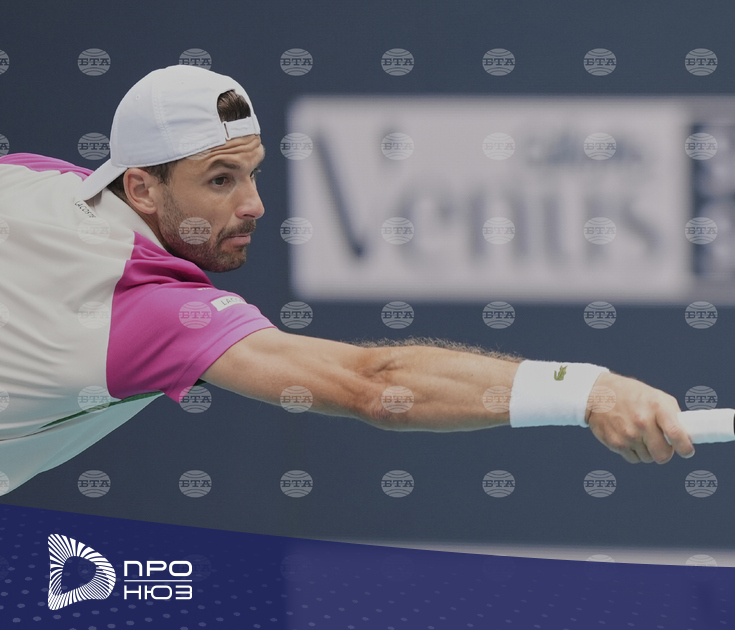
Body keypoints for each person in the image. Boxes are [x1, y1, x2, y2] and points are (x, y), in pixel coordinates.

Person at [0, 65, 694, 494]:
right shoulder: (150, 311)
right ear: (141, 188)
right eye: (219, 180)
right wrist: (588, 390)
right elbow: (375, 384)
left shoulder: (30, 176)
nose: (254, 205)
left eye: (252, 172)